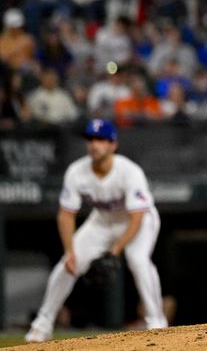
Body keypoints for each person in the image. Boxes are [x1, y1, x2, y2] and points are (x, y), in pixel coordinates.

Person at [25, 119, 168, 343]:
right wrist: (70, 251)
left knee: (137, 259)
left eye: (101, 140)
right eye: (91, 139)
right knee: (67, 265)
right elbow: (66, 214)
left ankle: (157, 323)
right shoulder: (76, 172)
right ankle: (41, 325)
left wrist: (116, 249)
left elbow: (138, 216)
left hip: (138, 221)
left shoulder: (129, 171)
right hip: (102, 221)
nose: (94, 144)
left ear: (113, 145)